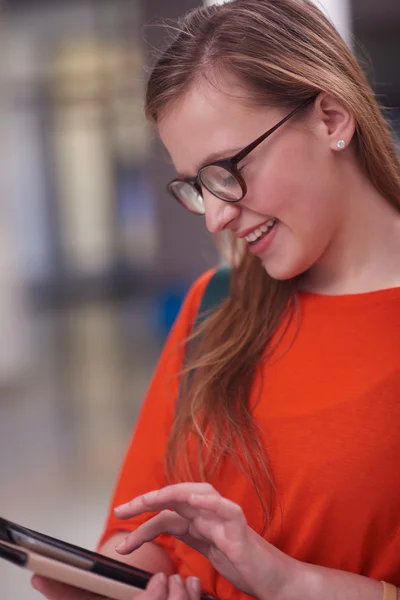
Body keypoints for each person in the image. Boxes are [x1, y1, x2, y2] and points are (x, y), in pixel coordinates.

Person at [32, 0, 400, 599]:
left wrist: (287, 582)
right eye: (197, 186)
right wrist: (110, 583)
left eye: (228, 169)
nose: (218, 217)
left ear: (332, 119)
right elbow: (141, 535)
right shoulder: (216, 306)